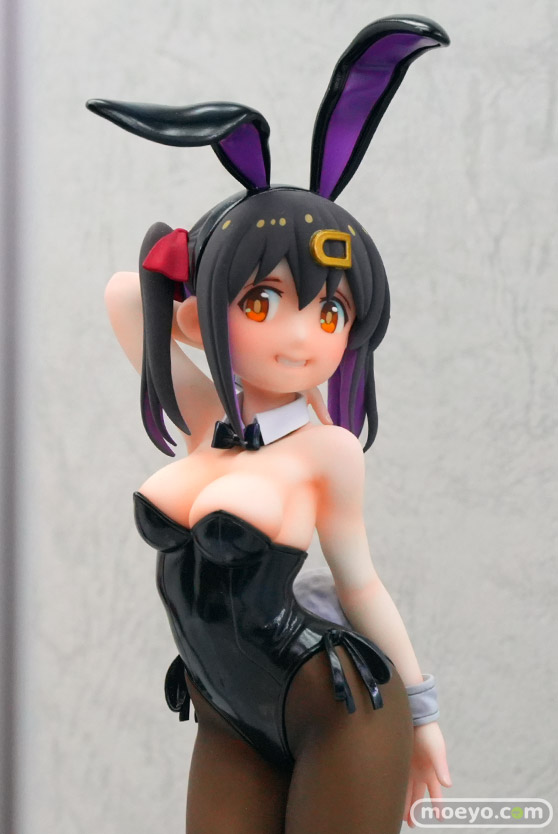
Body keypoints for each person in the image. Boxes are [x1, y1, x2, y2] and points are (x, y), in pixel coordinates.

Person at [90, 15, 452, 833]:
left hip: (336, 707)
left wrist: (425, 715)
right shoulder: (205, 418)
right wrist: (196, 277)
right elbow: (124, 293)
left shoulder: (327, 451)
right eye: (262, 303)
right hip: (222, 710)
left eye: (332, 312)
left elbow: (360, 584)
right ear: (206, 311)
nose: (301, 337)